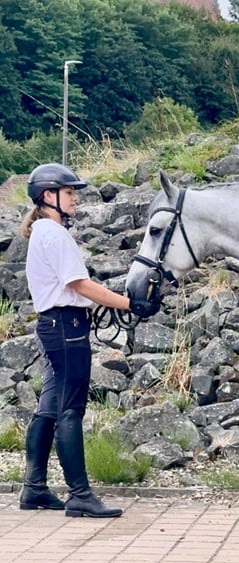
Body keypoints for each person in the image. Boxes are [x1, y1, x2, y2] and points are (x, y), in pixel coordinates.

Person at [19, 163, 159, 518]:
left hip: (54, 325)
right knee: (70, 409)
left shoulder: (42, 232)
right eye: (70, 193)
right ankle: (79, 494)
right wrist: (131, 304)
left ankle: (34, 488)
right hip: (67, 329)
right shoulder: (54, 234)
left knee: (49, 407)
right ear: (49, 196)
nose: (76, 199)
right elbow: (79, 285)